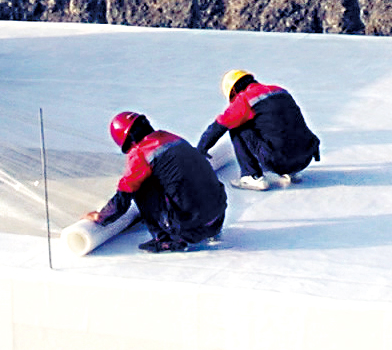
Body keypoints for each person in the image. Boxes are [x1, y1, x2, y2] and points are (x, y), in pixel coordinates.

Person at [87, 111, 227, 253]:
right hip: (217, 220)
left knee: (139, 185)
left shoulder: (141, 152)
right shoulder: (171, 138)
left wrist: (101, 216)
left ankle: (165, 239)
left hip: (191, 228)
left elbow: (123, 197)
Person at [196, 69, 321, 190]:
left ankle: (252, 176)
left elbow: (220, 124)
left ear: (233, 90)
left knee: (236, 126)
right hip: (305, 157)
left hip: (280, 161)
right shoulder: (280, 90)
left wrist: (201, 149)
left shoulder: (245, 98)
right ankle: (292, 171)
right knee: (283, 121)